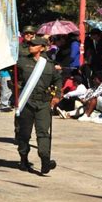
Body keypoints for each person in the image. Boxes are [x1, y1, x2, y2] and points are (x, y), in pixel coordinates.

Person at [16, 36, 62, 174]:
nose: (31, 46)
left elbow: (58, 80)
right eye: (30, 44)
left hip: (43, 103)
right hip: (26, 102)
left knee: (43, 133)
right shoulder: (22, 62)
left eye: (34, 45)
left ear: (42, 48)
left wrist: (57, 95)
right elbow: (15, 77)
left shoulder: (49, 65)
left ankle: (45, 160)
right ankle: (23, 159)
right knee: (23, 133)